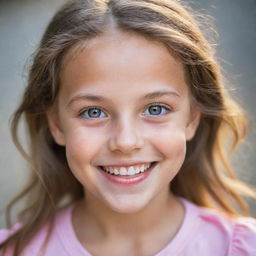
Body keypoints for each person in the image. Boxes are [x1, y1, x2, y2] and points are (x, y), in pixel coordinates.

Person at [1, 0, 256, 255]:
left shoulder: (239, 247)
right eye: (93, 112)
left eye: (156, 109)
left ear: (191, 119)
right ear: (56, 125)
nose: (125, 141)